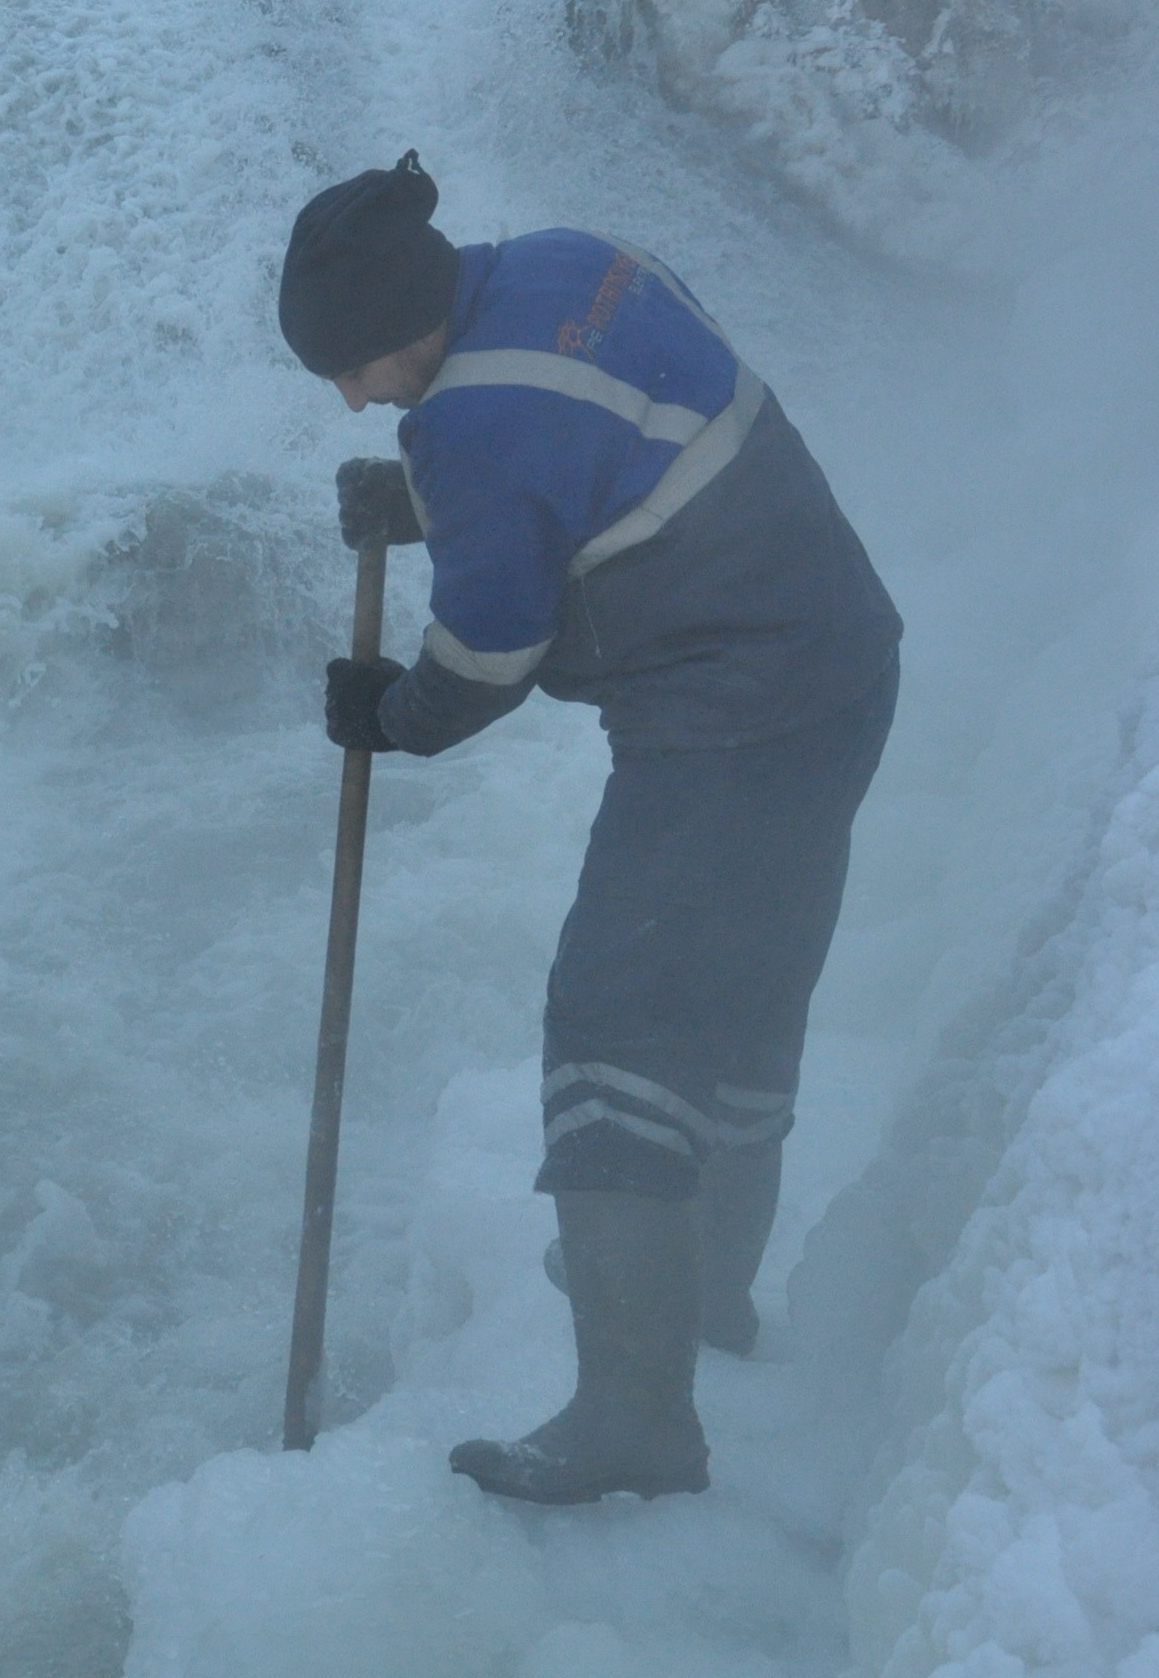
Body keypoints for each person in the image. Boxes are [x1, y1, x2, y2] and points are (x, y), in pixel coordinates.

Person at [279, 153, 902, 1505]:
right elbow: (600, 436)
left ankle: (636, 1419)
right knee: (743, 993)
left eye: (357, 368)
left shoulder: (471, 428)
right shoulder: (570, 259)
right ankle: (703, 1289)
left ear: (409, 322)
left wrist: (389, 715)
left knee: (619, 1029)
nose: (354, 398)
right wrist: (433, 507)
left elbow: (487, 660)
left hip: (731, 717)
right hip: (841, 663)